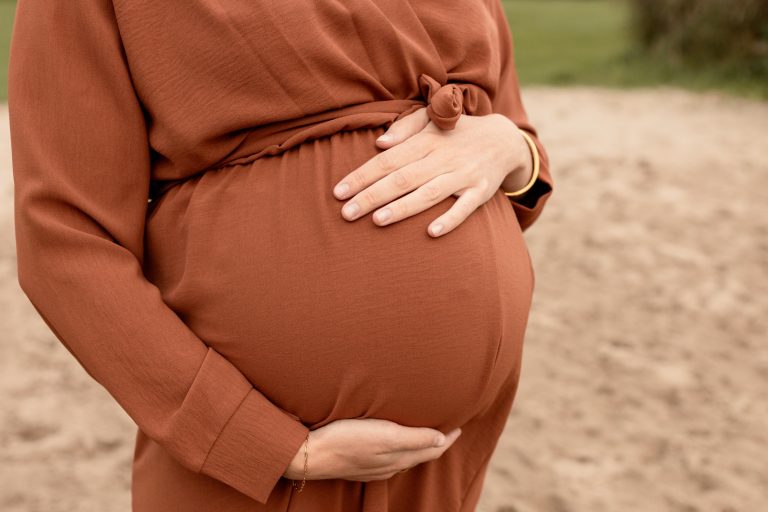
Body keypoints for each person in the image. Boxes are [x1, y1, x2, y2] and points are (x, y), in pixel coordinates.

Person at [8, 0, 553, 510]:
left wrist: (512, 149)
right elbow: (66, 238)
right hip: (259, 463)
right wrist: (258, 443)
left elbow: (514, 144)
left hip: (443, 457)